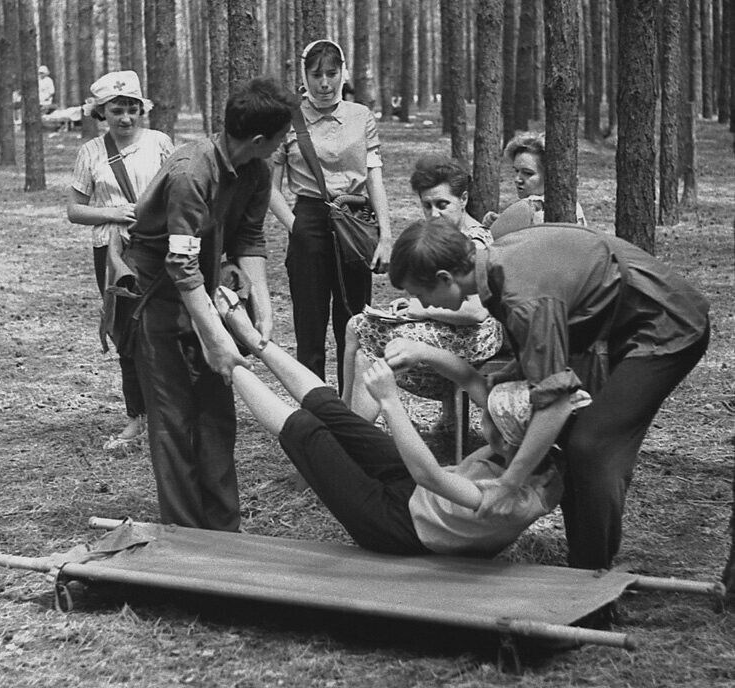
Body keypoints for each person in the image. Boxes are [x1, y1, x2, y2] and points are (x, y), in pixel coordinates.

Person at [387, 219, 711, 569]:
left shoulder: (521, 296)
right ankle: (583, 559)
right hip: (617, 325)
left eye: (420, 294)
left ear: (444, 278)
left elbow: (556, 403)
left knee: (592, 446)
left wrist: (509, 483)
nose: (421, 303)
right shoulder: (496, 269)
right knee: (573, 441)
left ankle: (590, 572)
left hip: (668, 325)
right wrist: (428, 353)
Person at [215, 285, 588, 557]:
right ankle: (253, 340)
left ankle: (227, 357)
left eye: (488, 417)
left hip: (396, 525)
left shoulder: (509, 499)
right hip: (416, 493)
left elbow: (430, 475)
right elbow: (470, 379)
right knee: (333, 411)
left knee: (307, 431)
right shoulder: (530, 448)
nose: (483, 412)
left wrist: (390, 402)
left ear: (507, 441)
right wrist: (423, 351)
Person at [114, 77, 296, 531]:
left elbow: (249, 237)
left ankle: (224, 531)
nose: (283, 145)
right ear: (260, 139)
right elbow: (180, 264)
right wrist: (216, 338)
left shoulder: (256, 171)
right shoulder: (190, 172)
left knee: (216, 416)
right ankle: (185, 538)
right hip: (156, 296)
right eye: (280, 137)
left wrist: (263, 311)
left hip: (202, 288)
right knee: (173, 420)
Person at [268, 39, 392, 392]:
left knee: (354, 322)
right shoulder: (288, 118)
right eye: (316, 74)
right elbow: (269, 187)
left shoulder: (361, 116)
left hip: (355, 220)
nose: (324, 83)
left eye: (331, 74)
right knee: (309, 324)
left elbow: (374, 177)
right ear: (304, 76)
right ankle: (317, 406)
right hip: (309, 218)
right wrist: (296, 227)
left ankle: (351, 405)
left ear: (343, 73)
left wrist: (385, 236)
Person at [342, 155, 502, 424]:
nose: (434, 214)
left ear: (463, 199)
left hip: (475, 336)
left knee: (360, 329)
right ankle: (348, 419)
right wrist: (412, 306)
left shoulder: (474, 241)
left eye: (442, 204)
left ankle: (350, 424)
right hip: (450, 328)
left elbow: (477, 312)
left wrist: (422, 310)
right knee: (362, 349)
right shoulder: (445, 235)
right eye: (427, 206)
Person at [67, 70, 173, 447]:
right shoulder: (90, 152)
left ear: (142, 109)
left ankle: (170, 411)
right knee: (125, 329)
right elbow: (75, 210)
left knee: (165, 326)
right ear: (102, 113)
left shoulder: (159, 143)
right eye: (116, 111)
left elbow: (178, 190)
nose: (125, 118)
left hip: (158, 246)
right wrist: (113, 213)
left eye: (132, 109)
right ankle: (136, 415)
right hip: (113, 253)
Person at [484, 132, 587, 232]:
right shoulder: (571, 205)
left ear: (551, 176)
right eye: (516, 171)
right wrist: (502, 220)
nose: (517, 179)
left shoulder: (529, 207)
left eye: (528, 173)